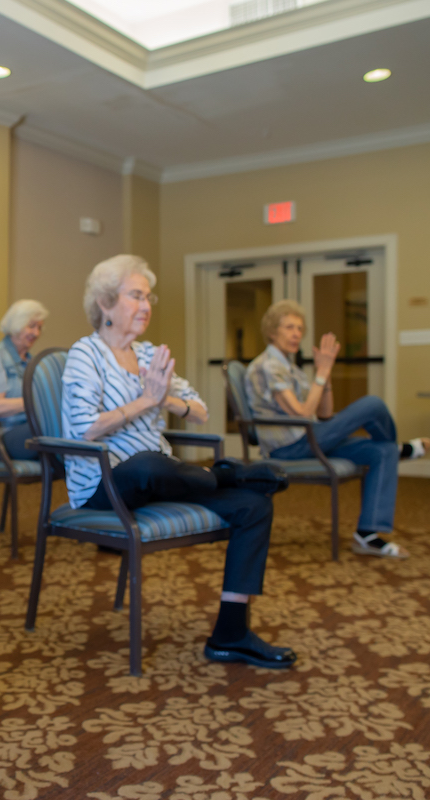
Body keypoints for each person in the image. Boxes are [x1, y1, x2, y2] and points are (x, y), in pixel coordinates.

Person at [61, 255, 295, 670]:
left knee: (254, 506)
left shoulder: (151, 353)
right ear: (106, 303)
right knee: (148, 463)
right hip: (103, 486)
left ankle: (230, 635)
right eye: (136, 295)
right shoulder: (86, 354)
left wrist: (165, 398)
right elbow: (85, 430)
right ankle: (225, 474)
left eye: (149, 296)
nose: (147, 305)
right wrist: (146, 401)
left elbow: (200, 409)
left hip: (166, 478)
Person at [245, 299, 430, 559]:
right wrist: (321, 372)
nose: (297, 333)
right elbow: (301, 412)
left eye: (299, 328)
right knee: (373, 405)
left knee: (382, 452)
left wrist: (326, 375)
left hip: (310, 437)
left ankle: (366, 535)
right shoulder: (267, 366)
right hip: (289, 448)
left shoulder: (292, 369)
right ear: (272, 331)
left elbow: (324, 412)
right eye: (289, 327)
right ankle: (399, 449)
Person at [0, 299, 49, 461]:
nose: (36, 333)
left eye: (39, 327)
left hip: (26, 430)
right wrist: (38, 403)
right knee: (53, 431)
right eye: (31, 326)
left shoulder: (32, 362)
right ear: (16, 324)